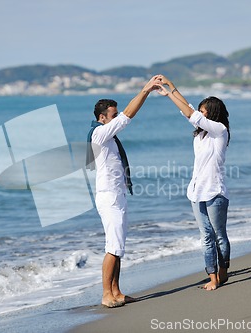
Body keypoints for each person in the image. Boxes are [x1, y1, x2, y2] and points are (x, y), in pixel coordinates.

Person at [86, 75, 162, 307]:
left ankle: (117, 292)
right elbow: (129, 114)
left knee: (118, 245)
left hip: (117, 194)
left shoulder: (108, 136)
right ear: (102, 117)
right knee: (113, 246)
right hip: (108, 196)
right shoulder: (99, 133)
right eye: (113, 115)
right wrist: (146, 90)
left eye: (116, 114)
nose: (117, 117)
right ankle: (106, 295)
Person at [157, 76, 231, 290]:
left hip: (215, 192)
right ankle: (213, 278)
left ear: (213, 112)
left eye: (204, 110)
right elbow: (188, 109)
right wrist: (171, 86)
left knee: (219, 236)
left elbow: (191, 113)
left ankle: (224, 268)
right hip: (196, 192)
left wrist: (170, 93)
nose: (200, 113)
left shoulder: (220, 131)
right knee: (205, 236)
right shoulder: (200, 136)